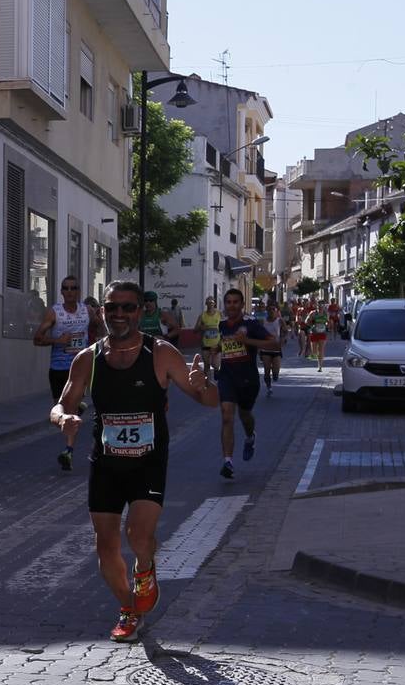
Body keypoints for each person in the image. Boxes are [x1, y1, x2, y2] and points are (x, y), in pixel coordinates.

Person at [50, 280, 220, 642]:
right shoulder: (88, 359)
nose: (120, 314)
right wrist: (63, 418)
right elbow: (62, 403)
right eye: (112, 307)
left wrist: (205, 383)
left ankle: (145, 569)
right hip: (106, 462)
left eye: (128, 307)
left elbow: (208, 402)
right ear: (103, 312)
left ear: (141, 312)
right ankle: (129, 607)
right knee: (105, 544)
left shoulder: (161, 354)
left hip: (148, 461)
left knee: (138, 535)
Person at [215, 287, 277, 479]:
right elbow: (224, 343)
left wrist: (247, 340)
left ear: (242, 305)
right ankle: (228, 462)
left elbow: (273, 343)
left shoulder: (251, 324)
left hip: (248, 379)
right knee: (226, 416)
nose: (231, 305)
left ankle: (250, 437)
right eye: (228, 302)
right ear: (224, 305)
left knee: (245, 415)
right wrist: (216, 350)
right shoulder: (222, 324)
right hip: (226, 376)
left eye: (235, 302)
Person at [33, 275, 91, 471]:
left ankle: (68, 451)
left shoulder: (87, 310)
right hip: (58, 368)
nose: (70, 292)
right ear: (61, 291)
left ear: (78, 291)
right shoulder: (54, 313)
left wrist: (93, 346)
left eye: (73, 288)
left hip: (78, 368)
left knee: (71, 411)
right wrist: (59, 341)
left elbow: (101, 327)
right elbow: (37, 338)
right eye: (65, 288)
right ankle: (78, 407)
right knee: (58, 413)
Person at [260, 304, 286, 396]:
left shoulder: (279, 321)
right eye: (269, 309)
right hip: (265, 348)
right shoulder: (263, 321)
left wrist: (282, 340)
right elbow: (258, 332)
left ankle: (275, 374)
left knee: (276, 371)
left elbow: (285, 331)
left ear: (276, 311)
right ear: (267, 311)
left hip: (276, 349)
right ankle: (269, 387)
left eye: (273, 309)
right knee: (266, 370)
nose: (271, 311)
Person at [197, 296, 222, 374]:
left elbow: (225, 327)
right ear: (206, 304)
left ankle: (217, 380)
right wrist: (201, 327)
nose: (210, 304)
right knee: (206, 366)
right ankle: (206, 384)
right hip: (205, 344)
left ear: (214, 304)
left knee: (216, 366)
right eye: (208, 303)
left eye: (212, 302)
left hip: (216, 345)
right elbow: (195, 329)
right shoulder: (202, 315)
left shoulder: (219, 314)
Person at [307, 303, 331, 371]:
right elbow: (307, 321)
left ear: (323, 307)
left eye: (322, 306)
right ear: (316, 306)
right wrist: (312, 324)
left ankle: (320, 366)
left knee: (321, 349)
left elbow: (328, 322)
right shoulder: (313, 313)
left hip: (322, 333)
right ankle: (315, 357)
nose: (320, 307)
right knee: (314, 351)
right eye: (319, 306)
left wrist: (327, 325)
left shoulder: (326, 314)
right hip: (314, 333)